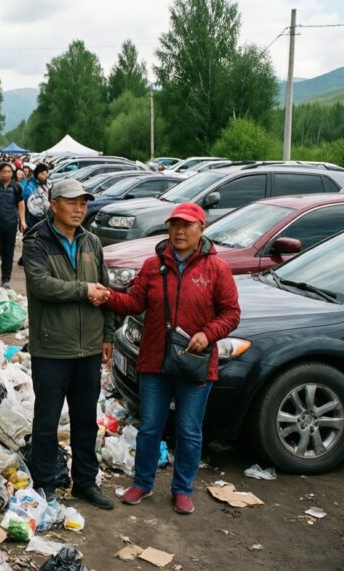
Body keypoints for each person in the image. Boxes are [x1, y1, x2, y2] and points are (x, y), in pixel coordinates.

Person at [98, 202, 240, 515]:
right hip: (154, 361)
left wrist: (207, 333)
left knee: (189, 430)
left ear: (201, 229)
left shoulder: (216, 269)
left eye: (187, 225)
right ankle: (142, 483)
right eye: (174, 224)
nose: (179, 231)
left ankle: (182, 489)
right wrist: (109, 296)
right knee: (150, 427)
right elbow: (135, 303)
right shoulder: (153, 265)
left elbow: (231, 314)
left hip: (194, 362)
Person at [23, 179, 115, 509]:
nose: (79, 209)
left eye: (83, 203)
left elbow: (103, 290)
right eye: (72, 202)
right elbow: (40, 284)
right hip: (51, 347)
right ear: (54, 204)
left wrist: (107, 335)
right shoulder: (36, 241)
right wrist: (82, 290)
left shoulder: (92, 241)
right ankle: (45, 482)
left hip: (88, 347)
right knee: (46, 421)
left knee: (85, 420)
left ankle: (85, 482)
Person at [24, 164, 53, 230]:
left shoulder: (49, 183)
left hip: (46, 215)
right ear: (37, 174)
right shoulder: (31, 185)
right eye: (42, 174)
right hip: (33, 215)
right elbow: (28, 202)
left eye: (46, 174)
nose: (45, 176)